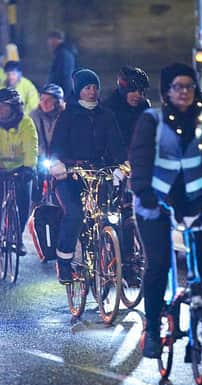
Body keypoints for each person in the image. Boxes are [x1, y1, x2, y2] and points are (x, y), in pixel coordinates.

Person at [128, 62, 202, 358]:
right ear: (166, 91)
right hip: (155, 201)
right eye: (178, 86)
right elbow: (140, 159)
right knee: (160, 262)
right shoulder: (152, 120)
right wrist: (144, 191)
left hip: (191, 199)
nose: (185, 92)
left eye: (190, 86)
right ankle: (152, 328)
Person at [49, 68, 126, 283]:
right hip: (71, 176)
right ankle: (64, 262)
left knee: (110, 214)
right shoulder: (68, 115)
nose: (92, 92)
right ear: (79, 90)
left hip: (99, 173)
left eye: (95, 87)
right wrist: (58, 164)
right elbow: (56, 145)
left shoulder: (107, 115)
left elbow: (117, 144)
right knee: (74, 213)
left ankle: (119, 262)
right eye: (87, 88)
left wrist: (122, 165)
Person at [0, 87, 37, 255]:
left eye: (4, 106)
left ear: (14, 108)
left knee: (23, 200)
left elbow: (31, 146)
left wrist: (29, 167)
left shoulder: (26, 123)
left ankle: (19, 239)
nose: (0, 109)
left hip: (20, 167)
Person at [103, 66, 151, 147]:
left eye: (141, 91)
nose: (138, 95)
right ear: (124, 90)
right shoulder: (108, 109)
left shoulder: (143, 107)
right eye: (133, 90)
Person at [47, 30, 76, 100]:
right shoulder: (66, 52)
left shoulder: (62, 54)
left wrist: (52, 90)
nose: (49, 43)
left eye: (50, 40)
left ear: (55, 39)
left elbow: (61, 74)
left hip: (62, 90)